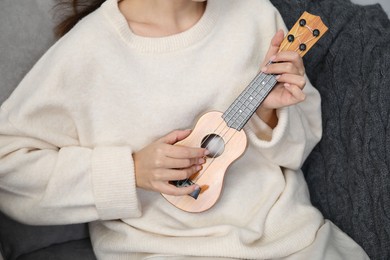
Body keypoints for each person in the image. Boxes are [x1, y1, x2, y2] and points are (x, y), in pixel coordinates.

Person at [0, 0, 369, 259]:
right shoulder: (87, 50)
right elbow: (9, 163)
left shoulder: (256, 15)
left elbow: (299, 147)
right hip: (161, 249)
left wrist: (270, 114)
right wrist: (129, 171)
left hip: (288, 237)